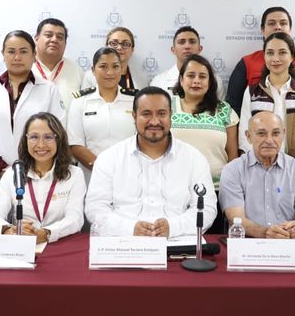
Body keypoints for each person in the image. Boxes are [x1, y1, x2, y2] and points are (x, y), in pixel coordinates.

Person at [85, 86, 216, 238]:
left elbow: (207, 208)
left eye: (162, 114)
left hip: (177, 244)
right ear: (134, 116)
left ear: (170, 116)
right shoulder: (109, 158)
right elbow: (95, 208)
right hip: (123, 245)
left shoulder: (194, 158)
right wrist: (130, 228)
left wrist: (173, 227)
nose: (154, 121)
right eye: (146, 114)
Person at [0, 30, 65, 175]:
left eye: (24, 51)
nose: (17, 57)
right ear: (3, 54)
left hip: (37, 171)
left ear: (33, 55)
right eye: (11, 51)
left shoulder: (49, 90)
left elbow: (58, 131)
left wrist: (33, 166)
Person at [0, 112, 85, 242]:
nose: (41, 144)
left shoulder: (74, 174)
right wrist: (8, 229)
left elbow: (75, 219)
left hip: (59, 244)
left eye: (48, 137)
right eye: (34, 137)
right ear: (26, 140)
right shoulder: (12, 174)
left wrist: (47, 233)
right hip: (20, 243)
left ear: (59, 139)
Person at [219, 112, 295, 238]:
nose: (269, 140)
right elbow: (236, 219)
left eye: (276, 133)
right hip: (249, 244)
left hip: (288, 242)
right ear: (248, 136)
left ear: (283, 134)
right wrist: (264, 233)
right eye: (261, 133)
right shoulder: (233, 170)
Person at [238, 32, 295, 174]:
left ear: (292, 57)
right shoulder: (252, 92)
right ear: (264, 56)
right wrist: (254, 170)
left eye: (282, 52)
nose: (275, 58)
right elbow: (244, 136)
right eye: (270, 53)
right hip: (260, 170)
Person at [226, 6, 295, 115]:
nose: (278, 27)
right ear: (262, 30)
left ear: (290, 29)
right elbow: (234, 108)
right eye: (271, 23)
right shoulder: (247, 63)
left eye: (283, 23)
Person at [170, 54, 239, 187]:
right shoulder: (166, 107)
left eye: (202, 76)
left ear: (210, 82)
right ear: (181, 79)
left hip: (218, 188)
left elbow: (232, 154)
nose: (196, 81)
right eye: (190, 76)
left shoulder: (224, 109)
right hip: (175, 187)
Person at [67, 47, 136, 179]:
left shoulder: (135, 101)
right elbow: (75, 144)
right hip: (92, 176)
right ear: (93, 70)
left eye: (115, 66)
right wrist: (103, 169)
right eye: (103, 66)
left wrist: (121, 171)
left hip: (129, 175)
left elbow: (141, 140)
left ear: (121, 69)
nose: (110, 72)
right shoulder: (80, 101)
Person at [151, 26, 224, 98]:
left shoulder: (215, 81)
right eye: (181, 42)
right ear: (173, 50)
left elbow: (219, 108)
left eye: (192, 42)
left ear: (200, 49)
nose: (187, 46)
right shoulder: (159, 82)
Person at [31, 17, 83, 109]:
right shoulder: (26, 67)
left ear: (65, 43)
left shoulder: (76, 70)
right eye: (48, 35)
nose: (54, 40)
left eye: (60, 37)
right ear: (36, 39)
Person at [81, 27, 147, 91]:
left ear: (132, 49)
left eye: (125, 44)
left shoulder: (141, 78)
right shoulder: (90, 77)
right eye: (114, 43)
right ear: (106, 47)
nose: (119, 48)